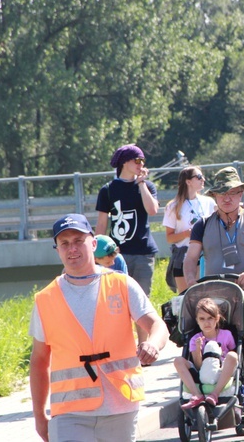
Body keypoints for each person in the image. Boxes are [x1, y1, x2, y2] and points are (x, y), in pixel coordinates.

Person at [29, 214, 168, 442]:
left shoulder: (121, 284)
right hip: (69, 413)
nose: (72, 248)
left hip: (119, 407)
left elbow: (157, 325)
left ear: (93, 243)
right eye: (64, 243)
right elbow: (39, 360)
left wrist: (153, 344)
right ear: (57, 250)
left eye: (78, 241)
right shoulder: (45, 298)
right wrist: (39, 415)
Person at [95, 144, 160, 345]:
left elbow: (152, 210)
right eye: (137, 160)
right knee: (114, 302)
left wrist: (141, 184)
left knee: (141, 300)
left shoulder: (147, 187)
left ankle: (143, 347)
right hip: (115, 255)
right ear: (125, 162)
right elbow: (102, 223)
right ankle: (120, 346)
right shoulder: (107, 190)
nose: (141, 165)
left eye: (143, 161)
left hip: (142, 252)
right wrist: (96, 252)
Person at [182, 167, 244, 290]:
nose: (227, 198)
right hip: (212, 292)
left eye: (232, 193)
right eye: (222, 193)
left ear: (240, 194)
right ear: (215, 196)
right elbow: (190, 258)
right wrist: (190, 280)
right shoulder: (202, 225)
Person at [175, 298, 239, 411]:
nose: (207, 322)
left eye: (210, 318)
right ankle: (196, 395)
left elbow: (234, 355)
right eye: (202, 319)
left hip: (222, 370)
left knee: (233, 356)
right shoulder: (195, 339)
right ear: (197, 321)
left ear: (217, 319)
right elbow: (198, 366)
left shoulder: (227, 335)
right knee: (178, 361)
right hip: (202, 371)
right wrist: (198, 349)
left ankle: (215, 393)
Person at [163, 166, 216, 293]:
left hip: (206, 255)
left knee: (204, 295)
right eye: (199, 177)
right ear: (188, 181)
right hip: (183, 256)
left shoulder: (209, 202)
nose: (203, 179)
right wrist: (188, 234)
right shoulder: (173, 206)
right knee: (185, 297)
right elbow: (169, 237)